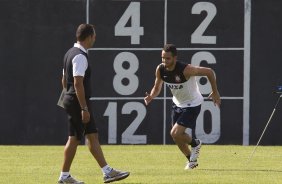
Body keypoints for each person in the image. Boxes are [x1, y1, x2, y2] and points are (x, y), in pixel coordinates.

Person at [58, 24, 130, 184]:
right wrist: (83, 107)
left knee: (90, 135)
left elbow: (64, 80)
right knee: (75, 138)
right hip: (78, 102)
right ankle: (65, 177)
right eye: (94, 36)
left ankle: (106, 171)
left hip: (71, 99)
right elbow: (77, 83)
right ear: (89, 37)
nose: (95, 39)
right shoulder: (80, 56)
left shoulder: (69, 53)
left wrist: (67, 96)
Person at [144, 44, 221, 170]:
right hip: (178, 103)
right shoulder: (160, 69)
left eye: (167, 58)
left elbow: (209, 72)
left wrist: (215, 91)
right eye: (163, 58)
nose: (164, 61)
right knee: (176, 137)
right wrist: (152, 96)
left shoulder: (186, 69)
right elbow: (157, 87)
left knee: (175, 132)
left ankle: (195, 144)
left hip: (192, 104)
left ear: (175, 58)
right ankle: (191, 160)